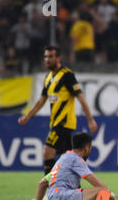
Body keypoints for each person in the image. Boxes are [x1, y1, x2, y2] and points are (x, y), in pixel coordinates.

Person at [18, 45, 98, 175]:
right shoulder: (48, 78)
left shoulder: (67, 75)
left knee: (47, 152)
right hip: (55, 123)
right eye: (45, 57)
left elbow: (80, 97)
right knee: (68, 159)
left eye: (50, 56)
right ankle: (74, 190)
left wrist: (90, 119)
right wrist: (27, 117)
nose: (47, 60)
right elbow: (41, 101)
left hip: (64, 122)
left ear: (58, 58)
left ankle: (49, 192)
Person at [29, 132, 118, 200]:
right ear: (87, 148)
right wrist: (111, 196)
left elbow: (42, 183)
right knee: (102, 190)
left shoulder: (62, 160)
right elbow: (98, 185)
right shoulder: (76, 159)